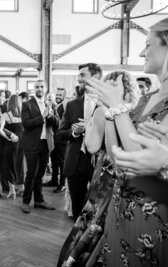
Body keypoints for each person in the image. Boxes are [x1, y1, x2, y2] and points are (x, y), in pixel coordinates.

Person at [83, 17, 168, 266]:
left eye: (148, 44)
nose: (142, 52)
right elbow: (116, 155)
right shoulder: (148, 97)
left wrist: (118, 109)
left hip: (150, 208)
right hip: (121, 200)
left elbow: (140, 162)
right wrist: (110, 112)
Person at [57, 70, 140, 267]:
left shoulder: (103, 110)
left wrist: (94, 121)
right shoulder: (138, 110)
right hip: (135, 178)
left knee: (95, 220)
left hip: (108, 176)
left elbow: (92, 146)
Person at [57, 63, 102, 220]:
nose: (78, 79)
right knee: (77, 208)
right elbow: (60, 134)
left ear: (95, 77)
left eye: (82, 75)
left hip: (100, 163)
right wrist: (74, 132)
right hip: (76, 161)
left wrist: (92, 127)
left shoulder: (108, 104)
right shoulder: (72, 105)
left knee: (100, 207)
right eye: (78, 76)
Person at [20, 80, 58, 213]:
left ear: (46, 88)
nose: (40, 89)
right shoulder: (27, 104)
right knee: (31, 173)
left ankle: (39, 201)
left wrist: (51, 116)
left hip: (45, 143)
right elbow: (26, 123)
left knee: (40, 174)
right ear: (33, 89)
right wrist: (42, 117)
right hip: (31, 143)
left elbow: (57, 123)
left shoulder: (50, 104)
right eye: (37, 87)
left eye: (42, 87)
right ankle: (25, 201)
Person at [0, 94, 24, 199]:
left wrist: (8, 137)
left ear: (9, 103)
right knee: (21, 165)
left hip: (11, 144)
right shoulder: (24, 114)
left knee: (10, 166)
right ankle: (22, 187)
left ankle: (12, 190)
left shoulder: (5, 115)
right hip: (22, 143)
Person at [46, 87, 68, 193]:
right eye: (57, 94)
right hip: (53, 138)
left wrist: (50, 116)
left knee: (62, 162)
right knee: (54, 160)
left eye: (60, 95)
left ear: (64, 96)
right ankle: (54, 180)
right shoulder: (55, 106)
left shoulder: (64, 107)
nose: (58, 96)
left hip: (62, 139)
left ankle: (62, 184)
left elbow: (59, 123)